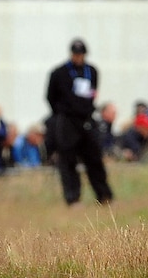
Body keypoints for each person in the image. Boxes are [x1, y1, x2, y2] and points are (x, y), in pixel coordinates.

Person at [45, 38, 113, 206]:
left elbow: (92, 93)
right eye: (75, 54)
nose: (78, 57)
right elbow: (50, 97)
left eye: (81, 54)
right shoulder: (59, 73)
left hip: (86, 120)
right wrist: (63, 112)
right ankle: (73, 198)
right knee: (68, 160)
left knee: (94, 159)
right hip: (67, 121)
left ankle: (104, 196)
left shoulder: (92, 71)